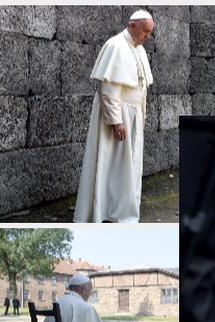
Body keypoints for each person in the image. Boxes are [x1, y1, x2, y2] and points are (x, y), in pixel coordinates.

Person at [74, 10, 154, 223]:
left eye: (149, 32)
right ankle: (108, 211)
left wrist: (140, 116)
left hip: (133, 115)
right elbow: (108, 88)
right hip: (119, 116)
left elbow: (141, 87)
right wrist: (116, 121)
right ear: (133, 26)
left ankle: (124, 211)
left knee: (130, 167)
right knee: (112, 165)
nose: (147, 36)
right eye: (145, 31)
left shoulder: (139, 50)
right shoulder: (115, 46)